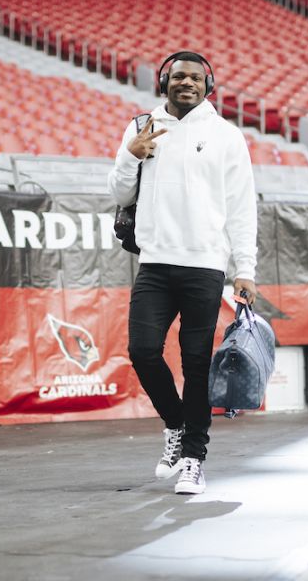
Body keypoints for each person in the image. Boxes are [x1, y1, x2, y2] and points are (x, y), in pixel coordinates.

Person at [107, 50, 258, 495]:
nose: (186, 82)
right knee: (143, 350)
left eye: (195, 77)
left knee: (195, 364)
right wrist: (131, 157)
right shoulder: (141, 128)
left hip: (205, 265)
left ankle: (193, 457)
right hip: (154, 261)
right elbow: (116, 191)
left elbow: (242, 207)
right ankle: (175, 425)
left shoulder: (227, 137)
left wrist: (244, 269)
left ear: (208, 85)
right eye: (178, 76)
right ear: (163, 82)